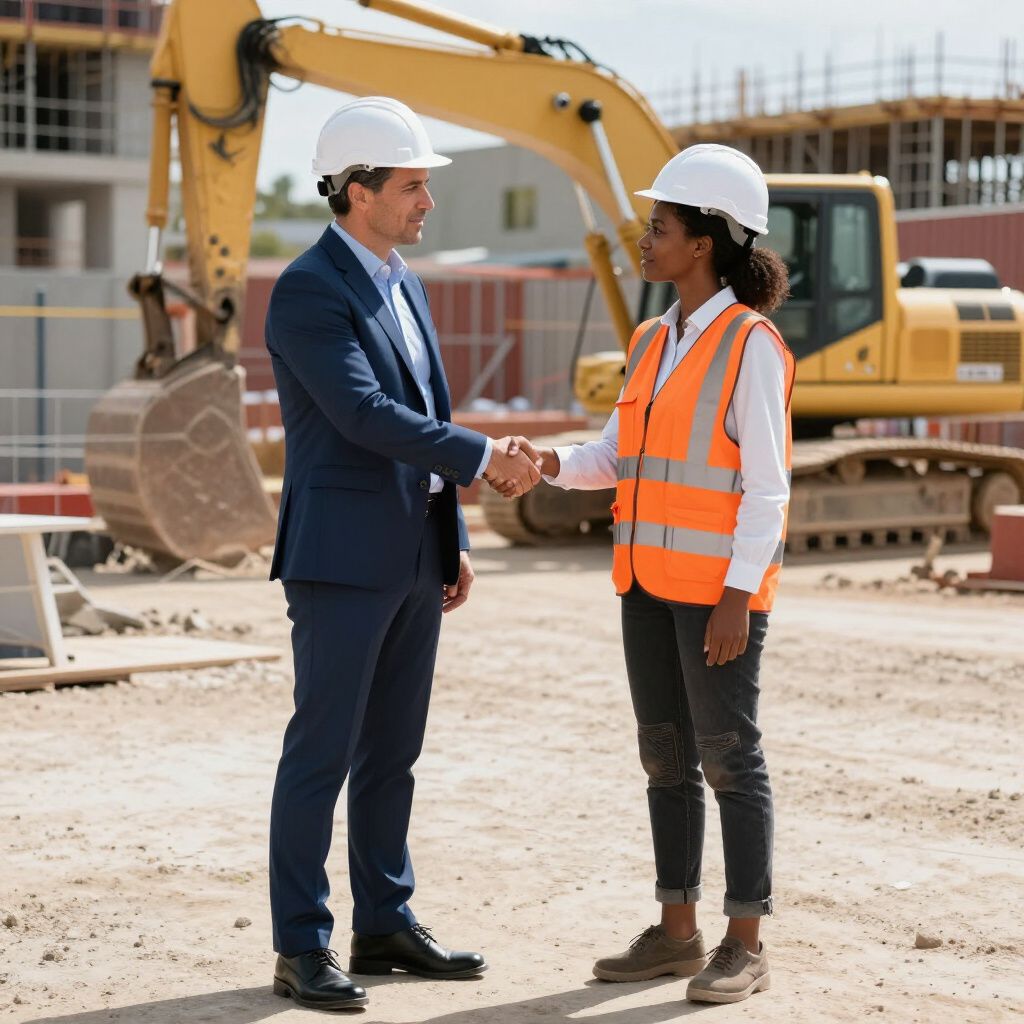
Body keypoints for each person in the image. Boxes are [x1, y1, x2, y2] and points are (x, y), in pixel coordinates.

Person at [264, 96, 541, 1012]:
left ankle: (383, 922)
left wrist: (450, 534)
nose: (428, 201)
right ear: (356, 191)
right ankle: (303, 945)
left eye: (426, 185)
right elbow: (363, 416)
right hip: (340, 560)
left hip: (413, 557)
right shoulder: (310, 289)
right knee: (324, 754)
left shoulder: (403, 280)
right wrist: (484, 457)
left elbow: (422, 401)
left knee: (394, 755)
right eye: (413, 185)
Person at [522, 145, 794, 1005]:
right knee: (666, 758)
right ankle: (676, 933)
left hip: (714, 597)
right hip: (644, 584)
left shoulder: (750, 344)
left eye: (661, 227)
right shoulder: (651, 338)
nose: (645, 239)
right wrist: (548, 462)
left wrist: (738, 597)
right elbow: (616, 454)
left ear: (704, 242)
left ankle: (743, 941)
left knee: (729, 758)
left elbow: (767, 487)